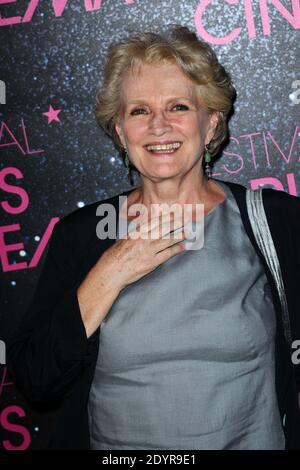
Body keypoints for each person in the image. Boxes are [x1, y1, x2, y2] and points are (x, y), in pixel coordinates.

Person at [7, 26, 300, 450]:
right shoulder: (81, 235)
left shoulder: (277, 222)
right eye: (139, 111)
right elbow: (37, 378)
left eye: (178, 106)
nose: (159, 126)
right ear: (122, 132)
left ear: (211, 122)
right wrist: (112, 269)